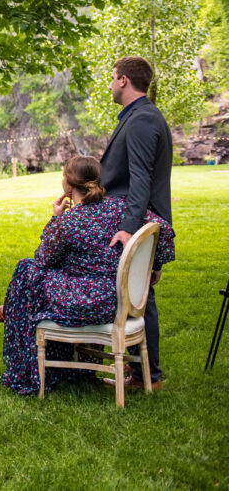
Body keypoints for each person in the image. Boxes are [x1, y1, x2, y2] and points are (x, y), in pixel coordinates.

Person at [0, 156, 174, 396]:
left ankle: (13, 312)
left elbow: (43, 259)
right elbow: (164, 229)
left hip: (89, 303)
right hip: (121, 299)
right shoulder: (122, 208)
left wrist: (55, 218)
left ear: (68, 185)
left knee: (27, 269)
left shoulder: (69, 221)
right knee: (42, 273)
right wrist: (154, 265)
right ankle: (12, 307)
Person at [100, 56, 174, 391]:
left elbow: (141, 181)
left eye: (113, 77)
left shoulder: (143, 119)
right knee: (137, 293)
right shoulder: (139, 116)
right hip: (135, 218)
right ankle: (142, 373)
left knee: (140, 294)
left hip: (138, 221)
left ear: (125, 80)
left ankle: (148, 375)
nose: (111, 83)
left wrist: (129, 229)